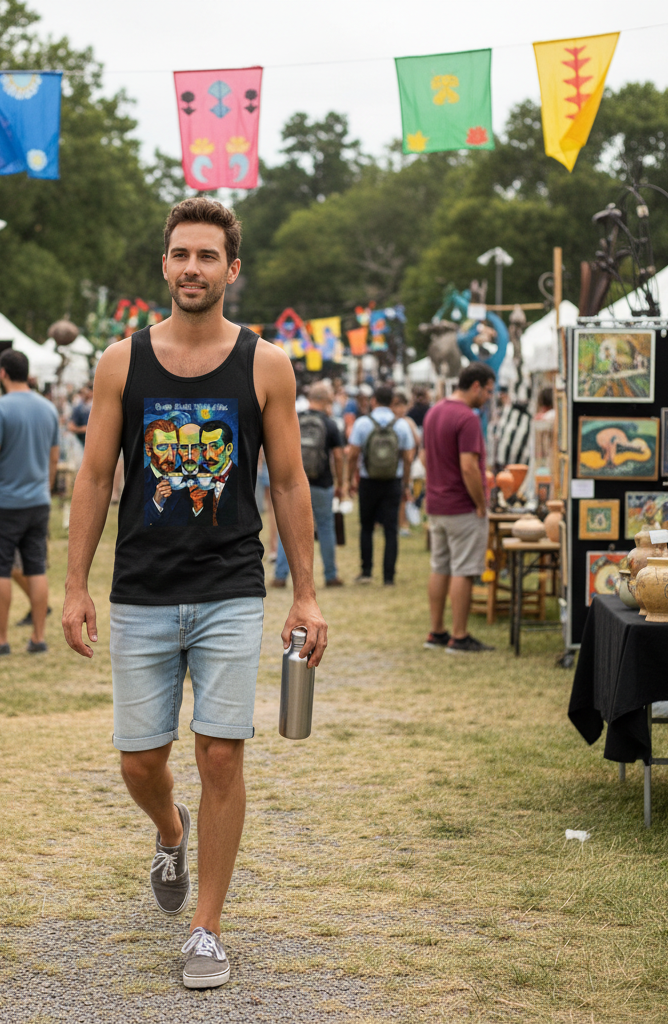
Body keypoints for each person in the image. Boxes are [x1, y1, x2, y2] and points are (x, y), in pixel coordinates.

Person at [62, 197, 327, 991]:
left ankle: (207, 929)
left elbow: (287, 479)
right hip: (142, 588)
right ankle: (168, 830)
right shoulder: (120, 362)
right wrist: (73, 584)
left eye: (207, 257)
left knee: (220, 752)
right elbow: (96, 475)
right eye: (181, 255)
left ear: (232, 270)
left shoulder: (266, 365)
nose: (192, 269)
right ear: (165, 265)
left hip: (229, 587)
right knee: (141, 762)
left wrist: (305, 594)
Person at [0, 349, 60, 657]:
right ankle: (38, 637)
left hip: (5, 502)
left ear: (2, 372)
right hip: (38, 502)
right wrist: (43, 488)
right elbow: (54, 458)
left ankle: (0, 640)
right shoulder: (48, 409)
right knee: (36, 567)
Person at [421, 361, 496, 654]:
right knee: (463, 571)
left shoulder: (435, 411)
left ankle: (437, 631)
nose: (489, 396)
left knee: (439, 567)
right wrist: (480, 503)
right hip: (462, 506)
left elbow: (425, 457)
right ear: (475, 385)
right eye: (488, 391)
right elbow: (469, 467)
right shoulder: (467, 418)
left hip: (437, 504)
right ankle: (460, 636)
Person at [273, 378, 345, 588]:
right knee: (325, 526)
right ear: (328, 400)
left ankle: (280, 575)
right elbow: (339, 456)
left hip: (294, 481)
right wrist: (341, 482)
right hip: (322, 483)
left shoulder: (295, 419)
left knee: (288, 528)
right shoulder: (330, 424)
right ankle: (331, 575)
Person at [346, 384, 415, 586]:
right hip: (393, 480)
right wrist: (406, 483)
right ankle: (388, 576)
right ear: (392, 400)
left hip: (368, 480)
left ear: (373, 401)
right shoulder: (401, 425)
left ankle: (366, 571)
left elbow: (353, 455)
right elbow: (408, 457)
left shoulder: (362, 423)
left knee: (366, 527)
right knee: (391, 529)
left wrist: (350, 479)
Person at [391, 389, 421, 538]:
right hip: (400, 465)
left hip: (401, 465)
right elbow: (417, 441)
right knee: (402, 494)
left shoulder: (405, 422)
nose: (400, 409)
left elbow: (417, 442)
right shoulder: (404, 423)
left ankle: (402, 523)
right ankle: (401, 524)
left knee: (403, 495)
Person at [68, 385, 93, 449]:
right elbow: (71, 426)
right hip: (81, 441)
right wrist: (82, 429)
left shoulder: (95, 407)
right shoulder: (78, 408)